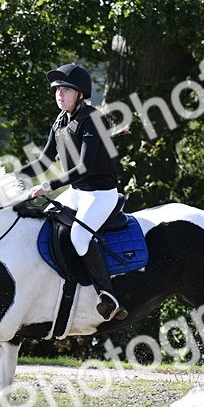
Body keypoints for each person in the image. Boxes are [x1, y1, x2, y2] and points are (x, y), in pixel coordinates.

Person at [18, 63, 128, 322]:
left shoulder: (93, 119)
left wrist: (49, 186)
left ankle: (108, 296)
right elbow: (43, 162)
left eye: (66, 90)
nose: (59, 94)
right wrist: (11, 177)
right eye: (57, 90)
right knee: (45, 224)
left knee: (79, 236)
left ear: (80, 94)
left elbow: (84, 167)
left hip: (100, 193)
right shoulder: (60, 122)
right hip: (78, 191)